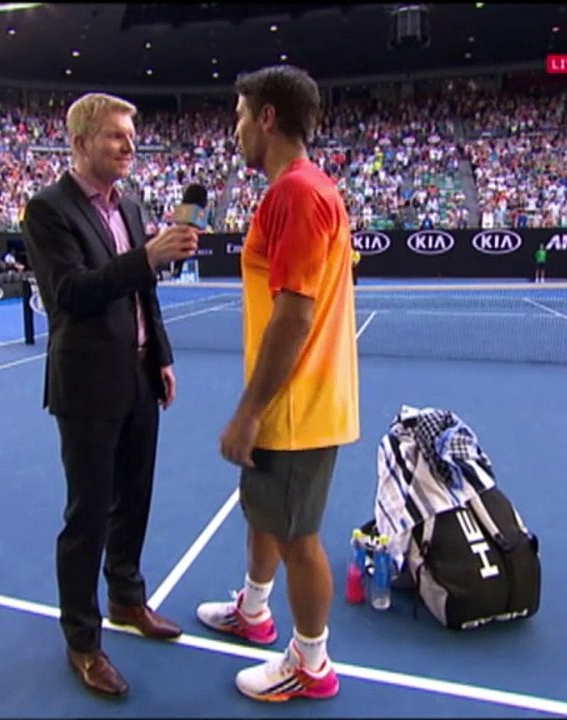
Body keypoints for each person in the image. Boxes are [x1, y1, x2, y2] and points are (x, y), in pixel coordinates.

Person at [21, 92, 200, 698]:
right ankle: (83, 641)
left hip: (140, 377)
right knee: (88, 515)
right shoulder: (46, 210)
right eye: (116, 137)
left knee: (136, 501)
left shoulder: (132, 203)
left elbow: (143, 289)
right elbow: (69, 294)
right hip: (87, 385)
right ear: (80, 143)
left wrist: (164, 356)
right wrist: (146, 256)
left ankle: (127, 599)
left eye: (131, 136)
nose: (129, 146)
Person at [195, 65, 360, 703]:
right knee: (263, 513)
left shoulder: (294, 192)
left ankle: (311, 664)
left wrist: (248, 412)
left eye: (240, 115)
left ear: (267, 118)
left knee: (297, 537)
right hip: (298, 399)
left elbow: (293, 316)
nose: (234, 129)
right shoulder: (311, 188)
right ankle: (254, 609)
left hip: (294, 404)